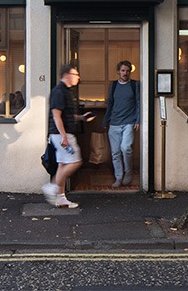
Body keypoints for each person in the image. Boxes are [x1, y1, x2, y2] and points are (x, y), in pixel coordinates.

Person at [42, 64, 94, 209]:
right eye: (75, 75)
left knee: (63, 164)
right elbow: (56, 115)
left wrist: (81, 118)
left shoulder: (65, 91)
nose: (78, 78)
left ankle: (61, 197)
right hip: (62, 135)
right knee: (75, 162)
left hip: (61, 134)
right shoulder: (59, 91)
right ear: (67, 75)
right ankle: (52, 186)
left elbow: (66, 116)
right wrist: (64, 137)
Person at [103, 60, 140, 188]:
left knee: (126, 148)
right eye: (123, 71)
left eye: (127, 71)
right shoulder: (113, 86)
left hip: (129, 122)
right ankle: (118, 177)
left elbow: (139, 103)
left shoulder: (134, 85)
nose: (125, 73)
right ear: (118, 72)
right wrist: (105, 120)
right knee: (115, 152)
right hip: (114, 123)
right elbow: (110, 104)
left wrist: (138, 120)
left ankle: (128, 173)